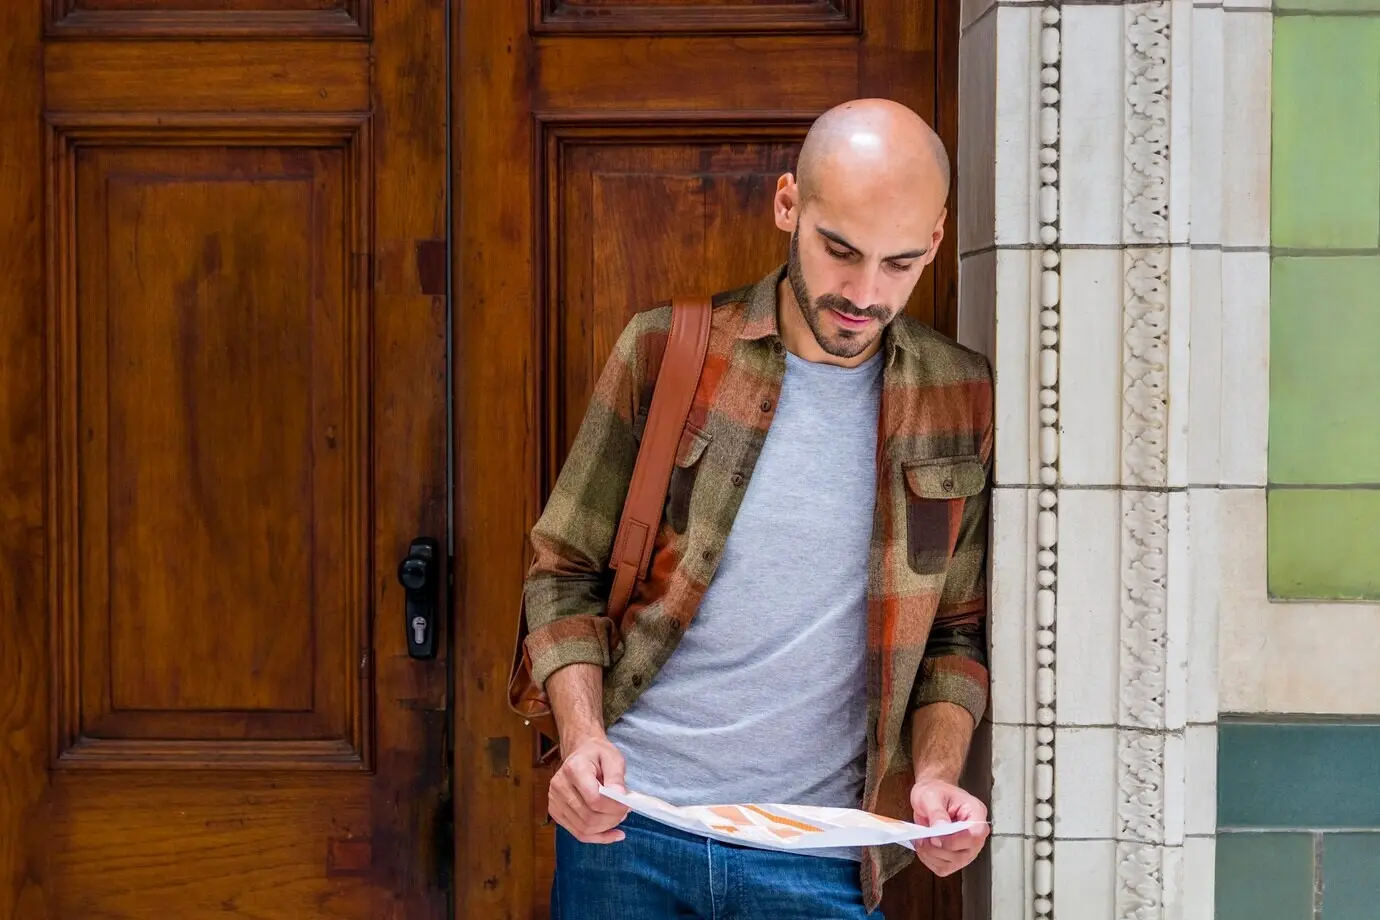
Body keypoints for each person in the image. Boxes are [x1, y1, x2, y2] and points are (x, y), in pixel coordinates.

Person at [521, 97, 993, 919]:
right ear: (787, 205)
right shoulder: (669, 352)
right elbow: (562, 573)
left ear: (936, 243)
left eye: (899, 264)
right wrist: (585, 740)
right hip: (634, 829)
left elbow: (954, 630)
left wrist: (935, 779)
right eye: (840, 250)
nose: (863, 293)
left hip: (821, 851)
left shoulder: (959, 396)